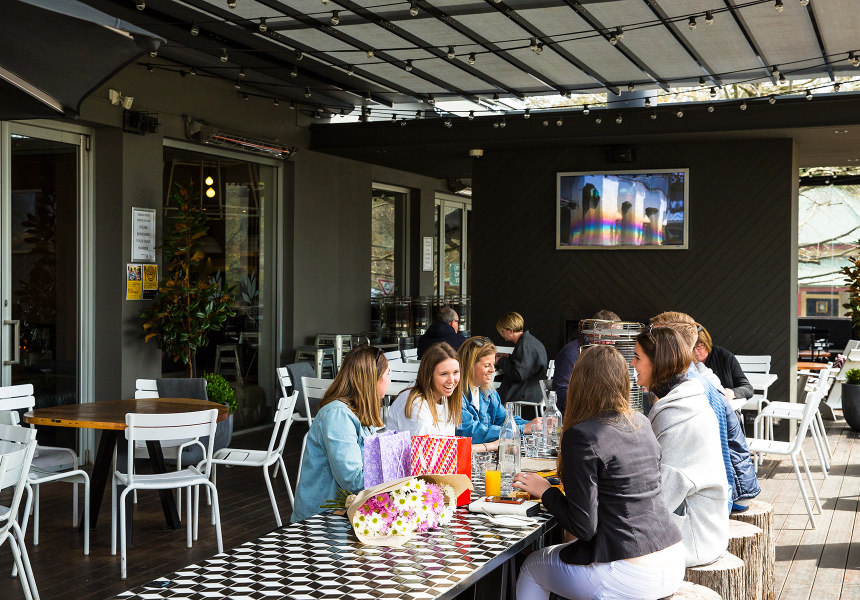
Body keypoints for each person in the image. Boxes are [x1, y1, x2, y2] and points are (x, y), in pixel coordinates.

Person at [512, 345, 685, 600]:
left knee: (531, 567)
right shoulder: (641, 422)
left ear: (579, 382)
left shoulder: (581, 435)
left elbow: (583, 527)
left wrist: (545, 491)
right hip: (673, 560)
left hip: (628, 572)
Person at [632, 326, 729, 567]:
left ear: (658, 363)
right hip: (698, 529)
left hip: (693, 540)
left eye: (637, 357)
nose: (632, 364)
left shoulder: (677, 415)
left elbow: (661, 495)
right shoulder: (683, 401)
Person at [650, 312, 760, 509]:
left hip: (731, 493)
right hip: (729, 487)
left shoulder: (693, 387)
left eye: (654, 341)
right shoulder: (691, 377)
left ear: (672, 345)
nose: (649, 347)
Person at [291, 346, 389, 523]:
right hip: (322, 522)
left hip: (346, 514)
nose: (389, 380)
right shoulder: (338, 415)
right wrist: (396, 467)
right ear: (373, 379)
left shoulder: (355, 412)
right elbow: (354, 480)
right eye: (387, 374)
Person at [455, 336, 542, 451]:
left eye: (493, 364)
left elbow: (504, 419)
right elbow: (471, 432)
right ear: (469, 366)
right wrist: (522, 429)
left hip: (485, 456)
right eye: (487, 365)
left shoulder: (489, 392)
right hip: (465, 458)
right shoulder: (456, 395)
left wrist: (535, 425)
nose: (492, 370)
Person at [552, 309, 621, 415]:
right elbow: (561, 393)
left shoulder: (602, 351)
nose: (613, 343)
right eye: (611, 337)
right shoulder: (571, 353)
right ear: (596, 332)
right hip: (578, 415)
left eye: (616, 339)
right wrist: (591, 407)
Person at [386, 342, 461, 436]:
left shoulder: (444, 396)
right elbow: (426, 443)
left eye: (455, 372)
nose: (451, 380)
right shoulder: (415, 404)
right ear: (429, 375)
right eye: (444, 374)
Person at [496, 312, 547, 406]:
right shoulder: (529, 341)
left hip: (526, 392)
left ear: (510, 331)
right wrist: (508, 356)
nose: (501, 334)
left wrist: (501, 361)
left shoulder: (524, 344)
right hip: (536, 390)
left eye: (502, 331)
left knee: (491, 394)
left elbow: (519, 375)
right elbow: (526, 364)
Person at [694, 325, 754, 402]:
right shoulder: (685, 361)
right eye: (692, 348)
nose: (695, 351)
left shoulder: (724, 357)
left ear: (707, 343)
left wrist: (732, 393)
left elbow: (748, 389)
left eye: (699, 346)